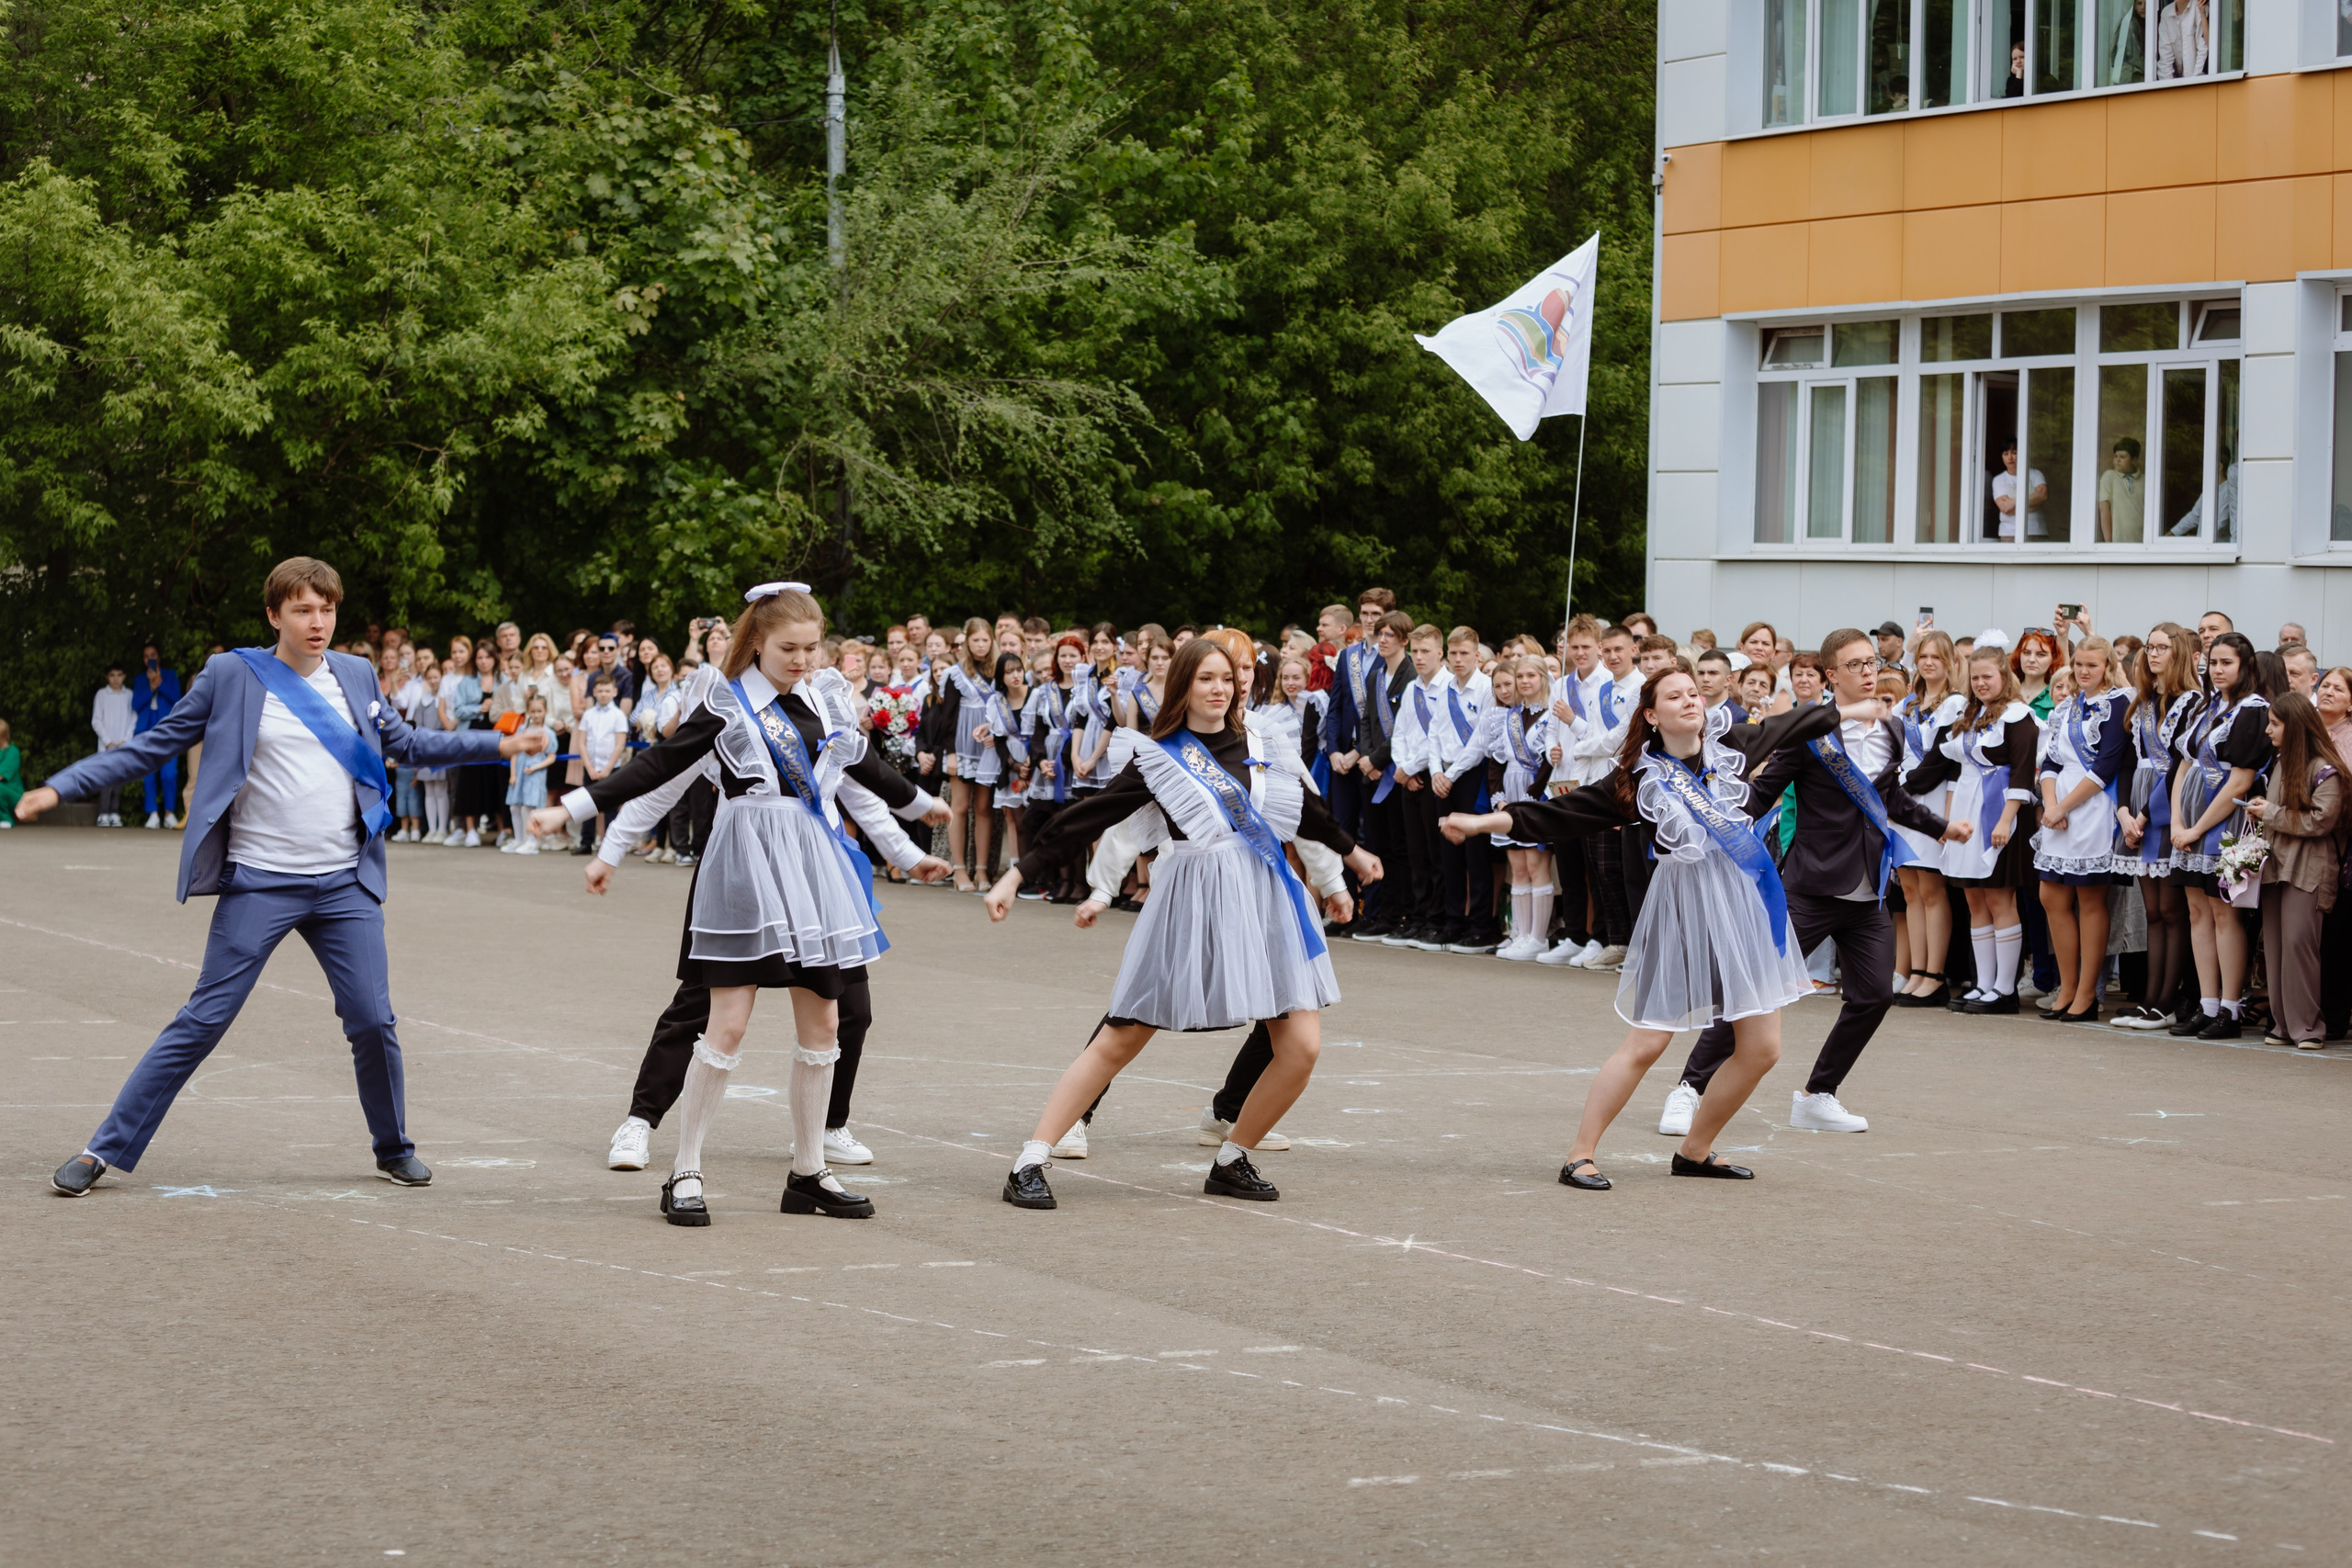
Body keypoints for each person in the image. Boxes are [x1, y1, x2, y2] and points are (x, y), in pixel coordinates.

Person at [27, 558, 545, 1196]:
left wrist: (498, 744)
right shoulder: (231, 674)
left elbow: (407, 746)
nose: (318, 621)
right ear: (274, 615)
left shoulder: (356, 674)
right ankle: (102, 1149)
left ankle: (393, 1146)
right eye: (303, 609)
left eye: (326, 608)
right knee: (202, 1018)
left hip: (343, 884)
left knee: (373, 1021)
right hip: (260, 883)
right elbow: (153, 745)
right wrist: (61, 785)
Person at [537, 584, 923, 1226]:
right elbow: (660, 766)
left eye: (811, 646)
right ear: (757, 644)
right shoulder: (726, 699)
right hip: (744, 866)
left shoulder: (825, 698)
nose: (802, 658)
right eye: (787, 648)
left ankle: (808, 1173)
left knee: (826, 1023)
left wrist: (911, 834)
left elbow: (861, 780)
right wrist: (579, 809)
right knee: (726, 1021)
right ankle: (684, 1166)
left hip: (812, 870)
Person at [1442, 671, 1896, 1189]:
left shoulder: (1734, 746)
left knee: (1762, 1049)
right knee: (1649, 1042)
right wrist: (1482, 824)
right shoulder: (1639, 780)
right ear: (1653, 716)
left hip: (1743, 907)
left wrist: (1854, 713)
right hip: (1683, 910)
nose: (1690, 701)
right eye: (1674, 696)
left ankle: (1695, 1151)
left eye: (1693, 694)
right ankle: (1579, 1154)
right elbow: (1558, 814)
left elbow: (1795, 722)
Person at [983, 637, 1382, 1211]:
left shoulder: (1261, 743)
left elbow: (1308, 811)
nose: (1220, 690)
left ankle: (1231, 1157)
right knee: (1123, 1036)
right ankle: (1030, 1158)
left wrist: (1352, 854)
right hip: (1191, 906)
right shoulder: (1159, 755)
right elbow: (1085, 818)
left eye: (1227, 679)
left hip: (1266, 902)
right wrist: (1017, 876)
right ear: (1183, 687)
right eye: (1206, 680)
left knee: (1300, 1047)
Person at [1657, 629, 1966, 1140]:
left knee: (1873, 997)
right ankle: (1689, 1088)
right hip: (1810, 887)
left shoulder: (1891, 731)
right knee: (1754, 990)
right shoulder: (1810, 734)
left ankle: (1818, 1095)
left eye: (1872, 662)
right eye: (1855, 665)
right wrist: (1715, 824)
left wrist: (1942, 827)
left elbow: (1889, 799)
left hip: (1868, 889)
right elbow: (1762, 794)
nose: (1869, 671)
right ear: (1831, 676)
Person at [1907, 646, 2040, 1013]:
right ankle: (1983, 984)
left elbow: (2021, 772)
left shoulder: (2019, 716)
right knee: (1974, 899)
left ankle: (2004, 989)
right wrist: (1948, 823)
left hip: (1999, 814)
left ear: (2003, 677)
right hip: (1967, 812)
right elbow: (1954, 770)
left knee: (2000, 900)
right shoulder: (1970, 714)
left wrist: (2005, 820)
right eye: (1976, 677)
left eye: (1988, 677)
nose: (1981, 683)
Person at [2167, 631, 2272, 1039]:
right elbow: (2184, 765)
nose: (2218, 669)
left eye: (2227, 662)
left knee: (2225, 913)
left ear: (2245, 666)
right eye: (2213, 663)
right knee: (2197, 912)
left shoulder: (2254, 710)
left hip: (2223, 821)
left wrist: (2196, 827)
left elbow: (2241, 781)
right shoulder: (2207, 706)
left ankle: (2230, 1008)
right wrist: (2178, 821)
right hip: (2190, 818)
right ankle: (2207, 1004)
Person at [2033, 637, 2131, 1022]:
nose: (2084, 671)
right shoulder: (2065, 708)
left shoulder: (2119, 703)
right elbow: (2050, 761)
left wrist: (2061, 806)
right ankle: (2067, 986)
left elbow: (2106, 766)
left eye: (2092, 665)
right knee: (2051, 896)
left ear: (2107, 666)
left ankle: (2088, 993)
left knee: (2089, 899)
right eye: (2078, 665)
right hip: (2058, 805)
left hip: (2093, 805)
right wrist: (2049, 804)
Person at [2110, 623, 2200, 1029]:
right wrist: (2125, 811)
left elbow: (2177, 767)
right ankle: (2150, 999)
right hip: (2140, 805)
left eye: (2162, 647)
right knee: (2152, 910)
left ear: (2179, 652)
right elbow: (2129, 763)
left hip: (2169, 803)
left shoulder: (2190, 701)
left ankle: (2166, 1001)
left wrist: (2145, 813)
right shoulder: (2143, 700)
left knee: (2171, 909)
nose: (2153, 654)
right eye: (2149, 647)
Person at [2245, 694, 2345, 1051]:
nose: (2268, 730)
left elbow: (2321, 820)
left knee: (2299, 945)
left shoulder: (2324, 768)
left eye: (2275, 723)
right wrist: (2260, 810)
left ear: (2295, 726)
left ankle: (2308, 1027)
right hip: (2276, 864)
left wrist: (2269, 812)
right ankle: (2283, 1024)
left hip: (2309, 868)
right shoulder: (2281, 761)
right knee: (2274, 946)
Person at [1892, 632, 1963, 1005]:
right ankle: (1916, 971)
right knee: (1910, 890)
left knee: (1933, 890)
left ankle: (1935, 974)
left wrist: (1898, 789)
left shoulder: (1956, 704)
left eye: (1937, 656)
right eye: (1923, 656)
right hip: (1901, 804)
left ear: (1950, 662)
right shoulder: (1906, 704)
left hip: (1930, 801)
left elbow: (1941, 761)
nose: (1929, 662)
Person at [131, 642, 184, 829]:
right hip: (146, 729)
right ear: (144, 660)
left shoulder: (170, 675)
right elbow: (135, 705)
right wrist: (151, 688)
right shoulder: (139, 680)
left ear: (158, 657)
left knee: (169, 773)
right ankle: (152, 814)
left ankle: (169, 813)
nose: (149, 659)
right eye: (146, 656)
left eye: (153, 655)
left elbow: (178, 699)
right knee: (149, 773)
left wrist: (159, 684)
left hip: (169, 729)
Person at [577, 672, 629, 853]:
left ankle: (609, 844)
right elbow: (582, 742)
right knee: (587, 805)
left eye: (607, 690)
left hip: (610, 768)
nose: (604, 694)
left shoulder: (618, 715)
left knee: (610, 808)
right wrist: (589, 766)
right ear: (594, 692)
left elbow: (620, 744)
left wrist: (608, 768)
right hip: (591, 767)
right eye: (600, 691)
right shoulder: (588, 715)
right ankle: (586, 842)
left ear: (614, 692)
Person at [502, 694, 559, 852]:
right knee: (514, 807)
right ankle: (519, 839)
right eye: (532, 711)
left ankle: (532, 841)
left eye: (539, 711)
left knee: (530, 808)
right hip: (519, 773)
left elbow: (551, 757)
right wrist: (513, 774)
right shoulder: (522, 729)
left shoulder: (549, 733)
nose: (536, 715)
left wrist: (535, 767)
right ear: (527, 712)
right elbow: (514, 753)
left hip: (535, 775)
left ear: (545, 711)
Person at [90, 665, 137, 827]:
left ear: (124, 676)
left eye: (119, 675)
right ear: (106, 677)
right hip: (106, 746)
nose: (116, 679)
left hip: (123, 744)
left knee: (119, 779)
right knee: (106, 780)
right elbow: (96, 720)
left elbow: (133, 719)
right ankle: (103, 813)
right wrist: (107, 741)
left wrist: (126, 740)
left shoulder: (129, 695)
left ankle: (114, 812)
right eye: (112, 675)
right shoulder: (101, 695)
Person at [1991, 437, 2046, 541]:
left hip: (2036, 530)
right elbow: (2006, 508)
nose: (2010, 458)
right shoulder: (1999, 480)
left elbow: (2043, 496)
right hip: (2009, 533)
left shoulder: (2036, 474)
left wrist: (2014, 502)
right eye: (2005, 454)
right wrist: (2034, 503)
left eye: (2014, 453)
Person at [2098, 436, 2145, 542]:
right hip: (2118, 542)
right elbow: (2104, 509)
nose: (2117, 460)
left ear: (2134, 459)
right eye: (2115, 456)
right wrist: (2109, 542)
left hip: (2142, 542)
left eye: (2122, 457)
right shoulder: (2109, 477)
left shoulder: (2145, 481)